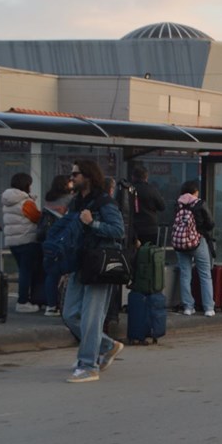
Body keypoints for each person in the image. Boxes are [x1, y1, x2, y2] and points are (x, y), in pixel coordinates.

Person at [64, 160, 126, 383]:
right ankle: (107, 346)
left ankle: (88, 365)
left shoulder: (104, 202)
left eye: (76, 174)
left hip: (100, 265)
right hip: (79, 263)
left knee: (91, 317)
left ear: (88, 176)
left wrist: (93, 224)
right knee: (70, 314)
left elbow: (118, 230)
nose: (72, 178)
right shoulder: (75, 202)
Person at [174, 181, 217, 317]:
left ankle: (188, 307)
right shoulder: (199, 204)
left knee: (185, 274)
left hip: (181, 243)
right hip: (198, 241)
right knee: (205, 274)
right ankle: (208, 308)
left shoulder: (178, 204)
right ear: (195, 192)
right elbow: (210, 223)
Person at [1, 172, 43, 313]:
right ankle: (23, 301)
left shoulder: (8, 199)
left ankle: (25, 299)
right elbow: (37, 218)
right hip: (26, 240)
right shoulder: (26, 202)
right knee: (26, 272)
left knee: (23, 270)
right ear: (26, 185)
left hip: (13, 242)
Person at [40, 174, 74, 317]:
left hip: (48, 238)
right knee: (66, 272)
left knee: (51, 273)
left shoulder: (48, 198)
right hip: (63, 238)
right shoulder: (70, 199)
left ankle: (50, 305)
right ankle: (63, 305)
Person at [131, 166, 165, 245]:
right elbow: (162, 207)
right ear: (146, 177)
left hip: (133, 229)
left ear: (133, 177)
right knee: (149, 253)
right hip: (150, 228)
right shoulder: (152, 190)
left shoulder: (129, 189)